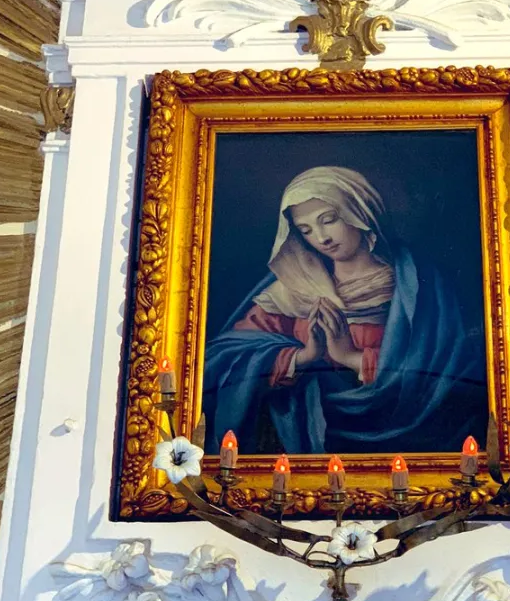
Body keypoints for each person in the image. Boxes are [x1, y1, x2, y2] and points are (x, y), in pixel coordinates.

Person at [203, 166, 486, 455]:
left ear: (360, 211)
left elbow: (444, 377)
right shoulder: (292, 290)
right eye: (306, 230)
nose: (321, 237)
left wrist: (350, 357)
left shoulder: (419, 286)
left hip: (402, 444)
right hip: (304, 444)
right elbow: (225, 360)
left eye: (329, 220)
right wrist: (302, 357)